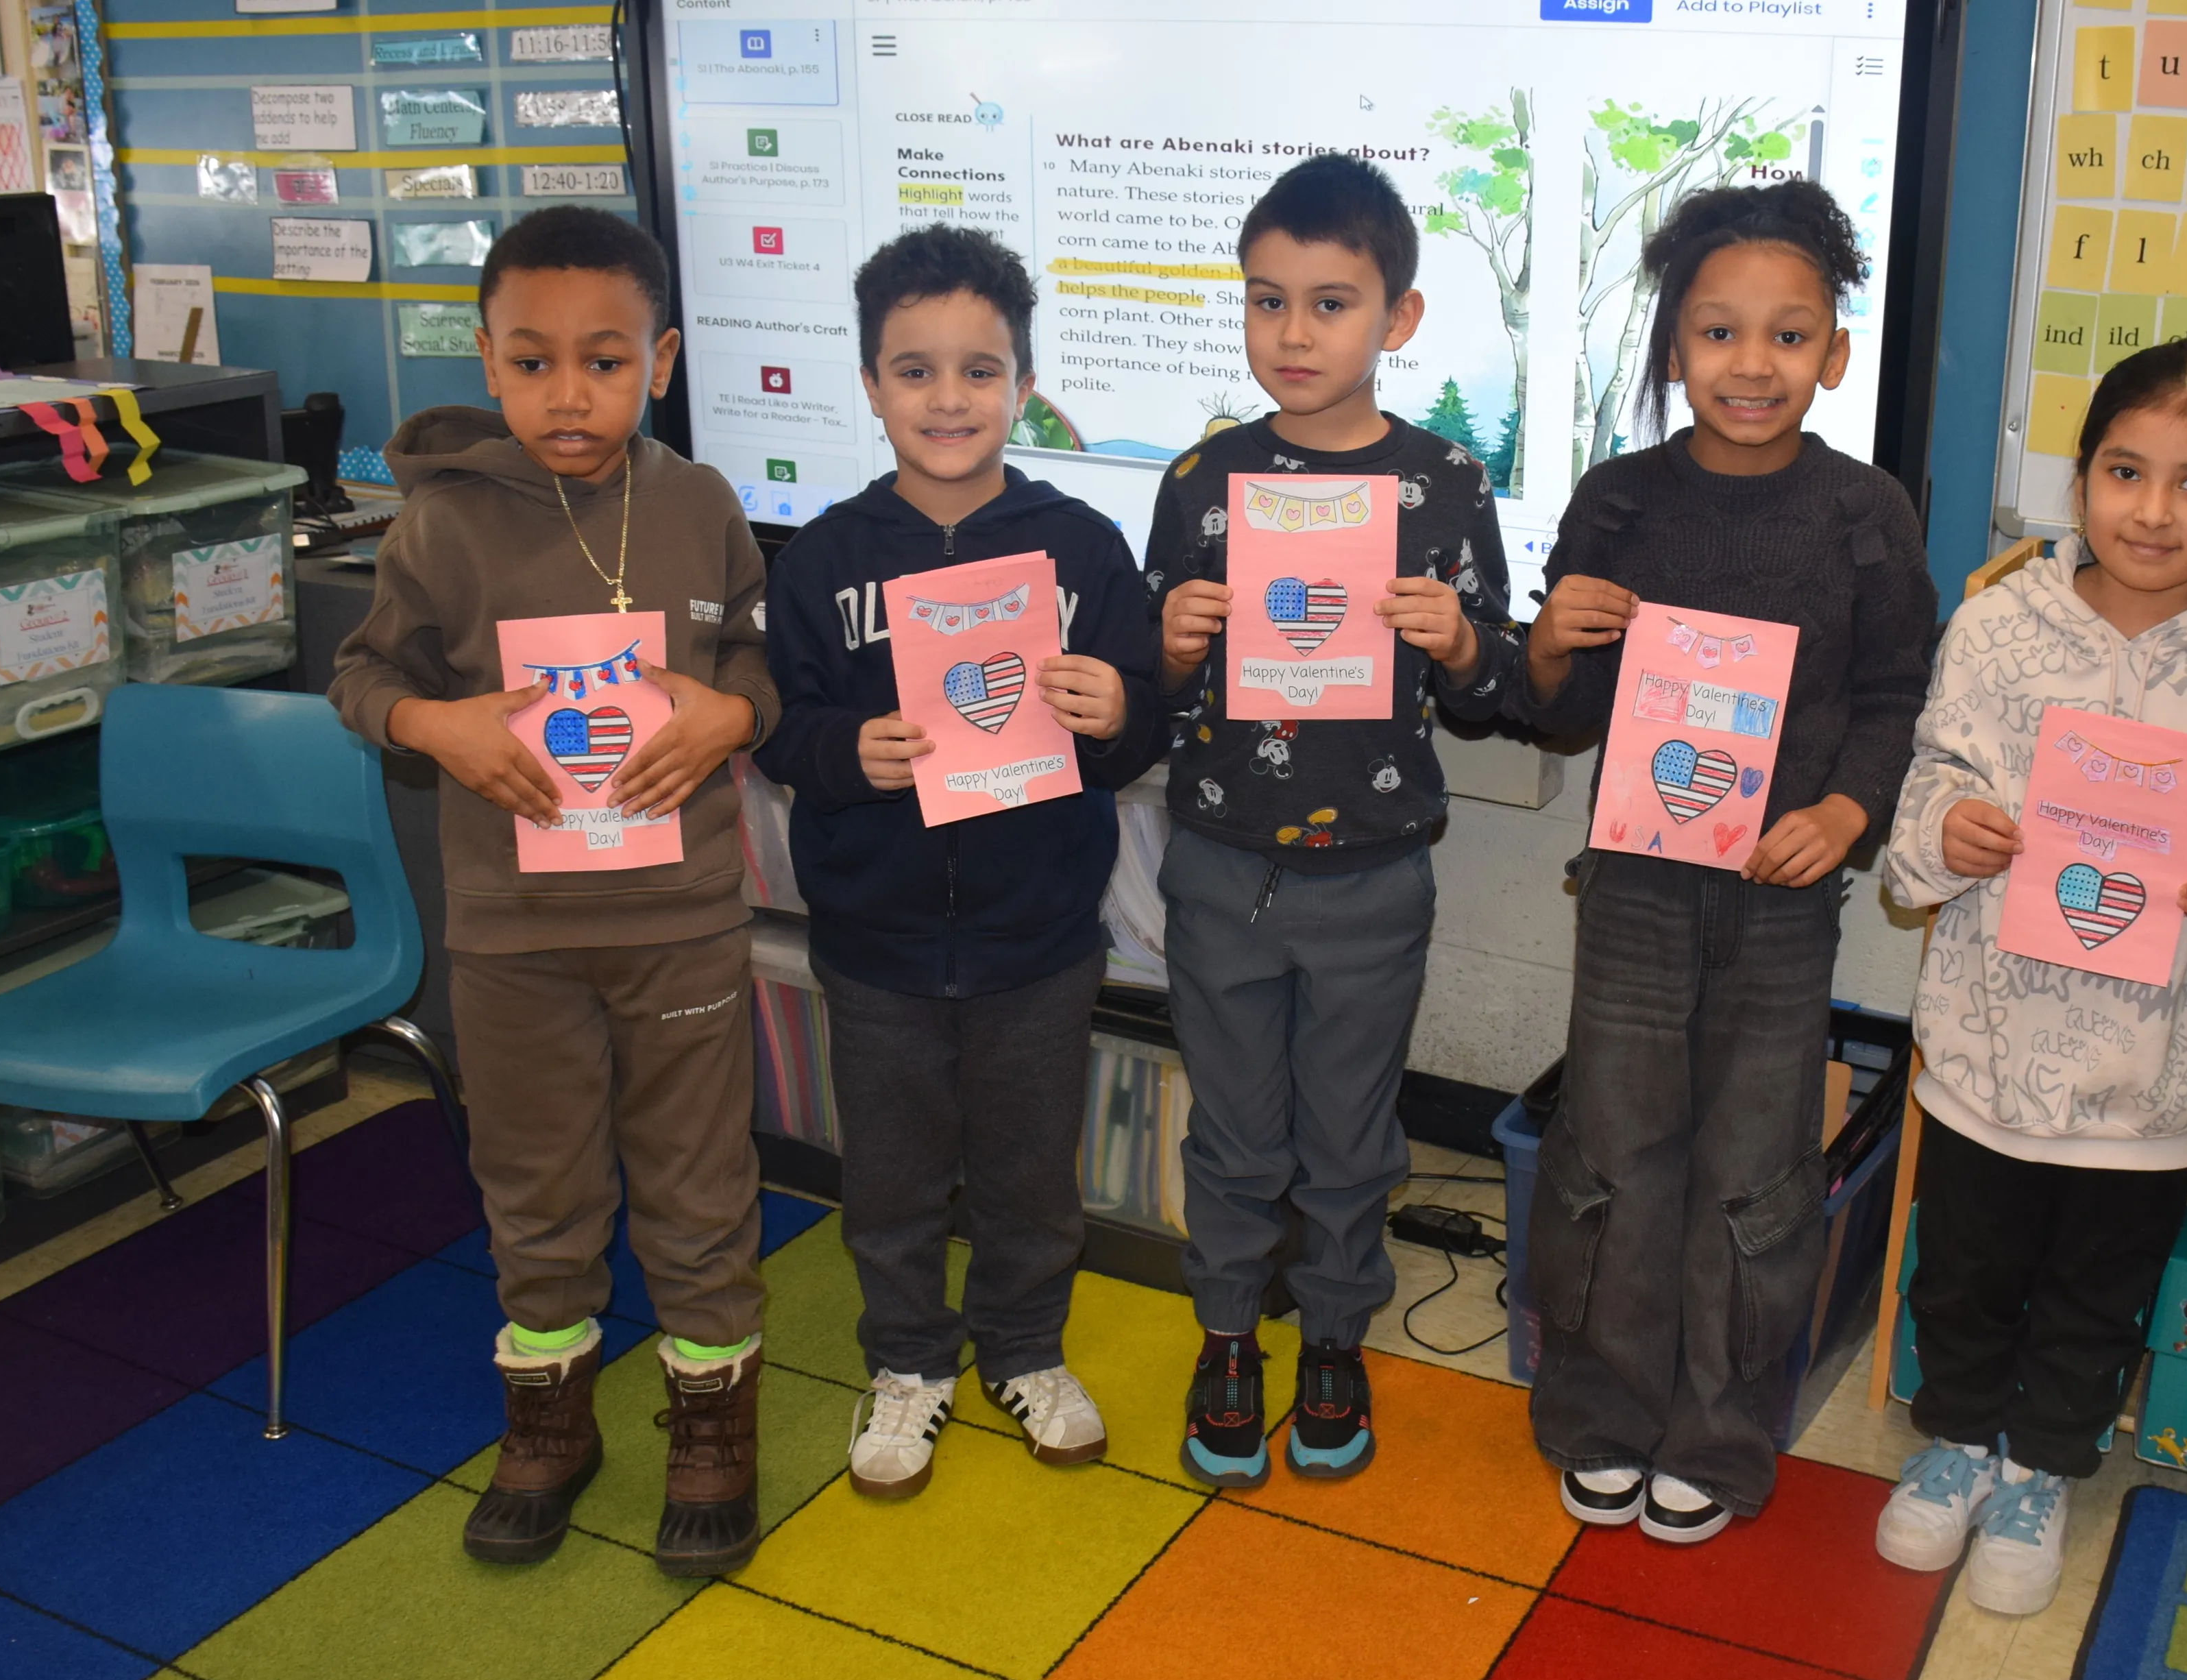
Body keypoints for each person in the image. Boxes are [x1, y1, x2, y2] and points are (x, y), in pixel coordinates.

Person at [1877, 337, 2187, 1613]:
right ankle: (1957, 1438)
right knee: (1965, 1267)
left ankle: (2042, 1464)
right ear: (2082, 475)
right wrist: (1949, 829)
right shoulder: (1999, 627)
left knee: (2100, 1283)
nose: (2153, 511)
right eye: (2124, 471)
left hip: (2154, 1064)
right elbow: (1932, 774)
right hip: (1989, 1041)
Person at [330, 206, 781, 1576]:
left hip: (679, 919)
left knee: (699, 1179)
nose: (567, 393)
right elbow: (364, 675)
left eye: (604, 360)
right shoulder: (443, 522)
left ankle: (711, 1421)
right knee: (534, 1179)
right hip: (513, 932)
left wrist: (732, 715)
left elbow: (757, 660)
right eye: (531, 363)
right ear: (486, 359)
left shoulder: (700, 504)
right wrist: (437, 728)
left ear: (662, 361)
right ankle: (549, 1418)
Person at [1509, 179, 1934, 1543]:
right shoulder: (1619, 500)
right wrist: (1548, 642)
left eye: (1788, 335)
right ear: (1672, 345)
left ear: (1834, 354)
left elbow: (1896, 692)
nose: (1752, 363)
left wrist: (1847, 813)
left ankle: (1718, 1434)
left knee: (1755, 1171)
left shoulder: (1865, 510)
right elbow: (1564, 712)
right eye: (1716, 331)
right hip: (1634, 893)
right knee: (1612, 1157)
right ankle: (1601, 1415)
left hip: (1780, 906)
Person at [758, 225, 1163, 1498]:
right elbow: (779, 726)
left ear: (1024, 384)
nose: (949, 398)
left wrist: (1118, 708)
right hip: (875, 938)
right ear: (870, 385)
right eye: (916, 370)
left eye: (980, 371)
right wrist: (844, 751)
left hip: (1037, 936)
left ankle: (1026, 1347)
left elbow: (1145, 715)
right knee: (890, 1177)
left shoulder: (1082, 546)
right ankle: (907, 1360)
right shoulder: (824, 557)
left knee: (1030, 1171)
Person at [1148, 153, 1517, 1486]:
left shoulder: (1445, 482)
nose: (1293, 333)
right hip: (1219, 862)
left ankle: (1336, 1336)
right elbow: (1140, 693)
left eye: (1329, 303)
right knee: (1233, 1128)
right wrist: (1170, 645)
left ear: (1397, 318)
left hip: (1372, 873)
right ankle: (1227, 1333)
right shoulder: (1203, 479)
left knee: (1351, 1134)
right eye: (1267, 300)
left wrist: (1460, 642)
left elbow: (1494, 689)